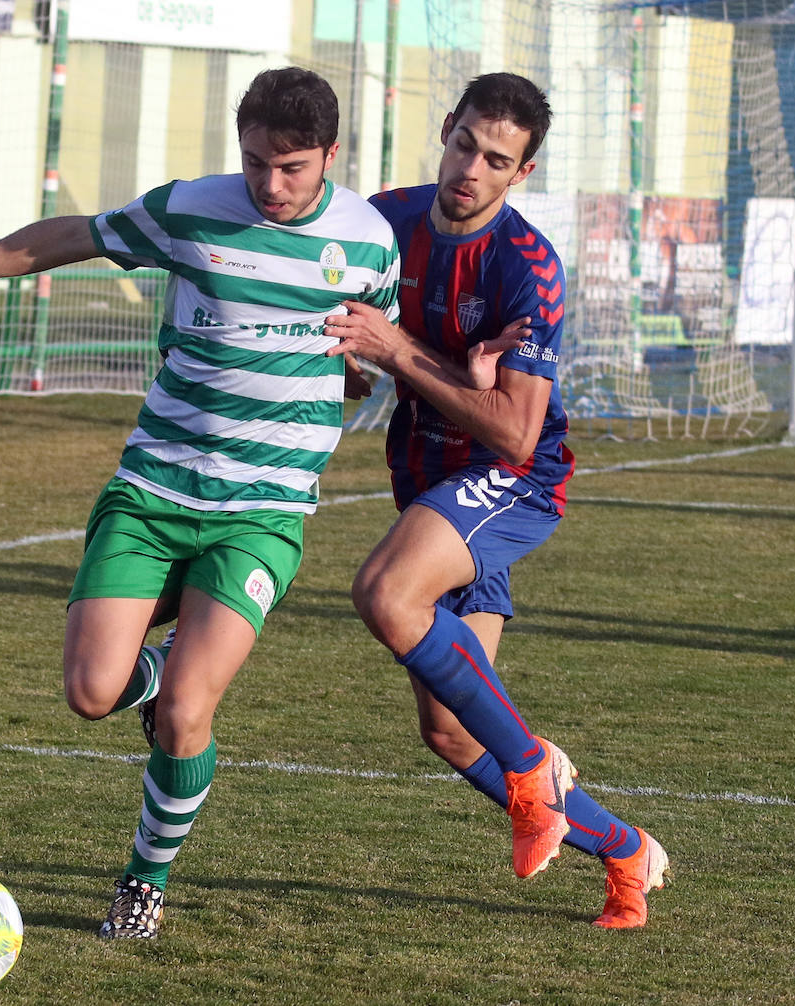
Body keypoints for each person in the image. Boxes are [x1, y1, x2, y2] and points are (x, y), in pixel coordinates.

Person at [0, 67, 400, 940]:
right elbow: (72, 236)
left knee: (189, 714)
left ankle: (143, 882)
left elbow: (376, 339)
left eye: (292, 167)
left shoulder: (370, 242)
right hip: (154, 490)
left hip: (262, 511)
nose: (271, 184)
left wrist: (361, 368)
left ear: (330, 156)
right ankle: (151, 673)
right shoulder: (191, 209)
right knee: (91, 692)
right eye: (257, 162)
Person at [324, 72, 669, 929]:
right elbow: (348, 341)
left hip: (511, 482)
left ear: (524, 172)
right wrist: (353, 359)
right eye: (465, 145)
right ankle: (626, 850)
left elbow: (515, 433)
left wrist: (401, 354)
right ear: (446, 129)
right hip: (431, 483)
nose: (471, 170)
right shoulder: (384, 222)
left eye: (497, 160)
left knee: (385, 593)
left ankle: (532, 774)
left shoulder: (529, 268)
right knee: (450, 731)